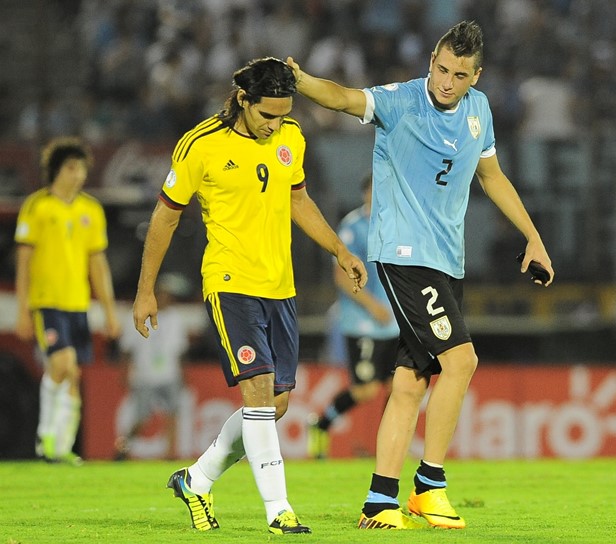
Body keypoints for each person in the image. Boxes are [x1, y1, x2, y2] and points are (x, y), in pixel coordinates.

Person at [287, 20, 554, 530]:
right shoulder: (401, 101)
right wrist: (301, 80)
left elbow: (492, 176)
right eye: (441, 68)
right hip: (404, 254)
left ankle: (380, 500)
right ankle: (430, 487)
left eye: (459, 74)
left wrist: (533, 236)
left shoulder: (478, 112)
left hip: (447, 259)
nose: (446, 81)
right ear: (431, 59)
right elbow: (343, 98)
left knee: (410, 381)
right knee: (461, 361)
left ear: (476, 77)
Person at [131, 57, 367, 535]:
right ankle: (279, 511)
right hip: (230, 284)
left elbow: (298, 200)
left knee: (275, 406)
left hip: (280, 287)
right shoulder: (201, 145)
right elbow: (165, 217)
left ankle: (196, 480)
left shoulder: (291, 138)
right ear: (243, 100)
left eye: (281, 116)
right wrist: (145, 291)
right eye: (266, 116)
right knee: (257, 395)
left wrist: (340, 250)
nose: (273, 125)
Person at [14, 136, 121, 465]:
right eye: (72, 168)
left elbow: (97, 264)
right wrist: (22, 310)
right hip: (47, 303)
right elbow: (24, 262)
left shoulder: (91, 209)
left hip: (78, 305)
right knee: (61, 366)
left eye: (82, 169)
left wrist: (109, 310)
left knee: (73, 373)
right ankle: (47, 436)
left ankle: (60, 447)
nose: (78, 175)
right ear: (56, 170)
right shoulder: (38, 206)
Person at [307, 175, 399, 459]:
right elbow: (341, 276)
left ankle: (389, 448)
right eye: (375, 189)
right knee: (367, 390)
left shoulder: (397, 224)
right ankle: (321, 425)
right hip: (363, 323)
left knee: (399, 387)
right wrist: (373, 307)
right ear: (365, 193)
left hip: (394, 324)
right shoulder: (352, 227)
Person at [114, 273, 192, 461]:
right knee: (141, 418)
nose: (167, 298)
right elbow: (126, 349)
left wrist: (183, 375)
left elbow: (180, 351)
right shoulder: (139, 314)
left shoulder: (175, 318)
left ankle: (169, 454)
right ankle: (122, 448)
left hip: (169, 375)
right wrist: (124, 373)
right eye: (164, 294)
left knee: (172, 414)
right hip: (144, 375)